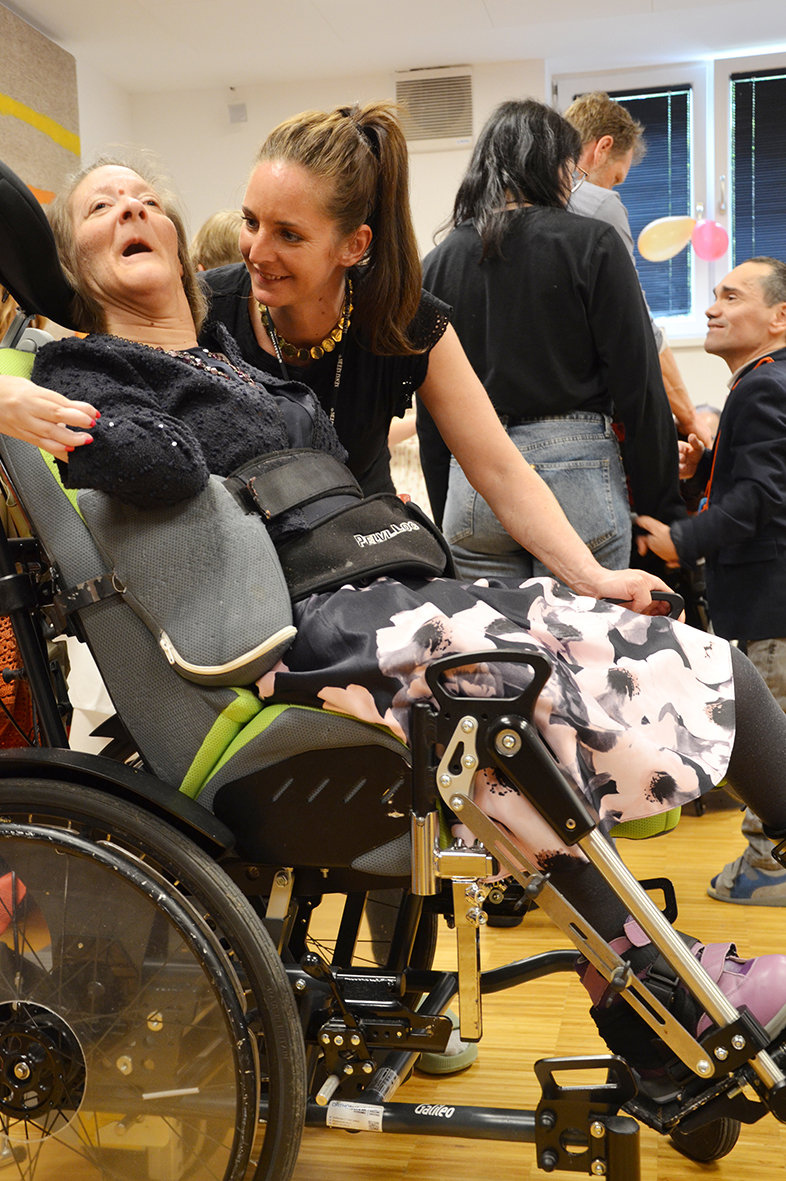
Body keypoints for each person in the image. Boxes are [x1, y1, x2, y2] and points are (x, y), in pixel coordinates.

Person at [30, 157, 786, 1075]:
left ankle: (646, 986)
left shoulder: (238, 356)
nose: (132, 208)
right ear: (69, 260)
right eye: (103, 205)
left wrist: (591, 574)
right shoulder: (78, 369)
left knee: (699, 665)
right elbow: (163, 467)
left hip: (377, 595)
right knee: (502, 705)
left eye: (149, 199)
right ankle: (660, 982)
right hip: (305, 632)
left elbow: (492, 464)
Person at [419, 99, 685, 580]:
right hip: (579, 474)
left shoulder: (436, 266)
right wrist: (661, 508)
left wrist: (448, 502)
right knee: (588, 629)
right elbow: (639, 387)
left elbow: (433, 410)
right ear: (556, 165)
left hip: (475, 485)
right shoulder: (593, 244)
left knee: (493, 629)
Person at [636, 257, 786, 908]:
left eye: (731, 296)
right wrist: (702, 476)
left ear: (780, 316)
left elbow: (760, 499)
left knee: (773, 739)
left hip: (770, 603)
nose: (710, 307)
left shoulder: (762, 386)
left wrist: (681, 539)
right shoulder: (765, 382)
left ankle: (771, 865)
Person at [564, 91, 712, 447]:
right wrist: (691, 418)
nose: (613, 188)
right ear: (602, 147)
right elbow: (636, 319)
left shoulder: (508, 202)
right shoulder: (597, 205)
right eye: (616, 178)